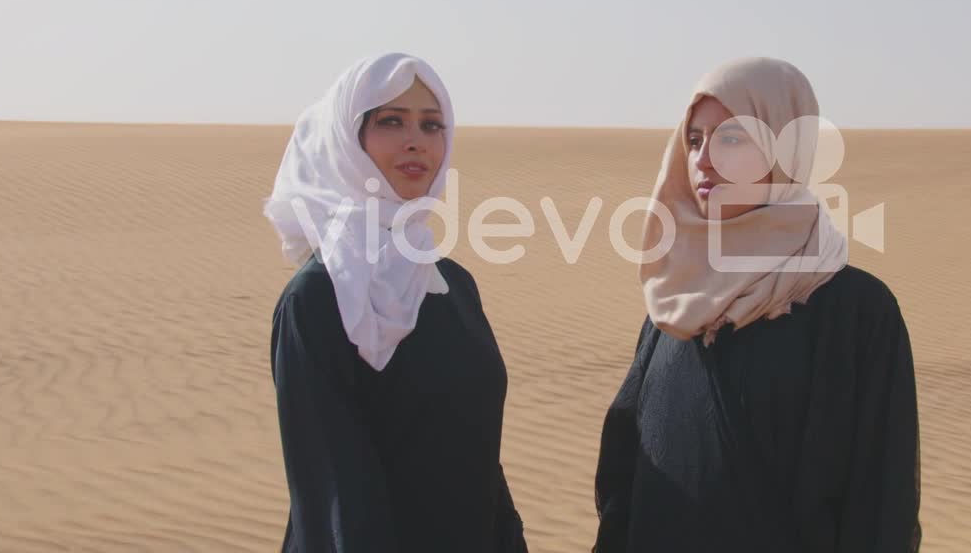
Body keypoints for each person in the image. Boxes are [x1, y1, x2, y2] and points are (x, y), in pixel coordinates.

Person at [593, 57, 921, 552]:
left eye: (730, 138)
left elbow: (881, 505)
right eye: (695, 139)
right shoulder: (674, 306)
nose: (702, 159)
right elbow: (625, 482)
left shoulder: (855, 313)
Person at [263, 52, 527, 552]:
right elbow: (334, 495)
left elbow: (479, 459)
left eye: (432, 125)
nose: (416, 141)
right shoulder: (315, 300)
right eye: (390, 121)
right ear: (348, 140)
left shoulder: (453, 286)